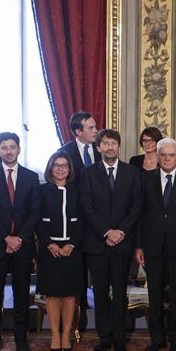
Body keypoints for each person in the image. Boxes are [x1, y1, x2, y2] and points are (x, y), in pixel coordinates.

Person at [80, 129, 143, 351]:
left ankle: (119, 338)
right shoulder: (88, 173)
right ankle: (104, 338)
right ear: (98, 147)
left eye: (113, 143)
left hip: (122, 243)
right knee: (99, 293)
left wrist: (120, 232)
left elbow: (136, 207)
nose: (109, 147)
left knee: (119, 291)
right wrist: (107, 232)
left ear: (119, 146)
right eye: (105, 143)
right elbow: (87, 207)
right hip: (97, 244)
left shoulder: (132, 172)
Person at [0, 132, 41, 351]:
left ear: (19, 149)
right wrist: (6, 238)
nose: (8, 151)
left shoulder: (31, 177)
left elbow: (34, 213)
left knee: (21, 295)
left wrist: (18, 239)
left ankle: (21, 340)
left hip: (22, 246)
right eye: (4, 147)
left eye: (12, 147)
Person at [135, 138, 176, 351]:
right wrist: (139, 245)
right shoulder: (146, 178)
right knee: (155, 294)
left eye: (171, 155)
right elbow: (140, 214)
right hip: (152, 246)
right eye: (163, 155)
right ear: (158, 157)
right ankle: (157, 338)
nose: (167, 159)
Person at [37, 152, 84, 351]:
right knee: (53, 294)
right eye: (56, 165)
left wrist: (71, 244)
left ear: (70, 169)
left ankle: (66, 334)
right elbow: (36, 220)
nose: (60, 169)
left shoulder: (78, 190)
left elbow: (83, 219)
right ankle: (55, 335)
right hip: (50, 250)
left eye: (64, 165)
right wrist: (49, 244)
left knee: (70, 294)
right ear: (50, 168)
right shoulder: (41, 190)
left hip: (72, 249)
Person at [59, 111, 101, 334]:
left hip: (98, 222)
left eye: (95, 127)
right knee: (77, 274)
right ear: (78, 131)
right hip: (75, 222)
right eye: (91, 128)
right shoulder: (64, 153)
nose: (96, 131)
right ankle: (78, 322)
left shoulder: (101, 150)